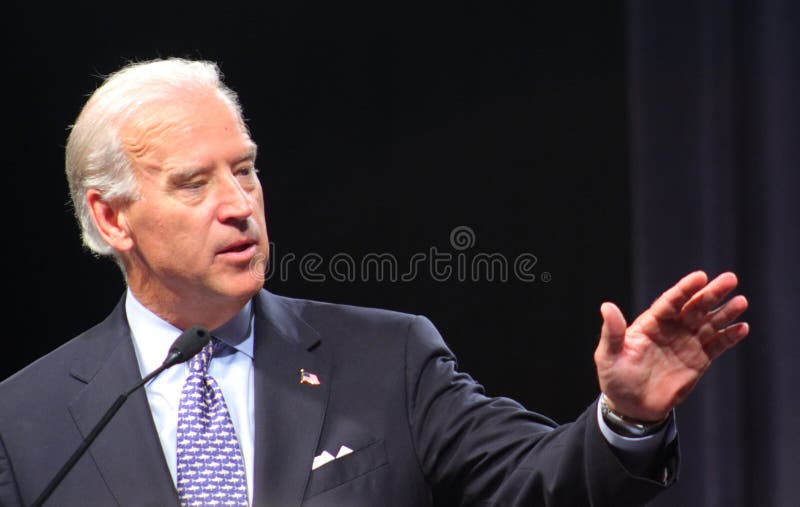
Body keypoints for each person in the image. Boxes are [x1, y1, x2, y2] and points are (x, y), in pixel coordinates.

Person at [0, 58, 749, 507]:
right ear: (112, 217)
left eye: (246, 168)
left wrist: (625, 418)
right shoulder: (25, 422)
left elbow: (536, 483)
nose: (238, 204)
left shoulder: (386, 358)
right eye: (195, 183)